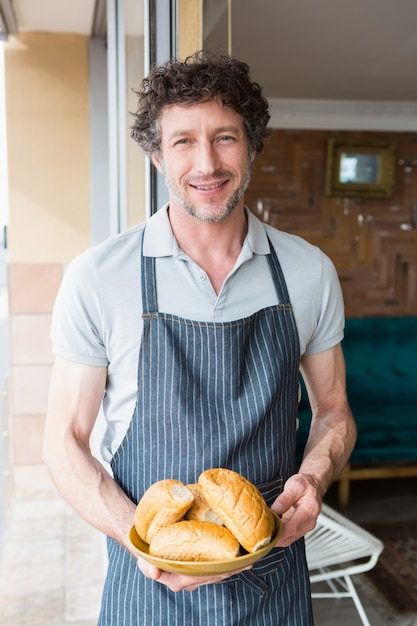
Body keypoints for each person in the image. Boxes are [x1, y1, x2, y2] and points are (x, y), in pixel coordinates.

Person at [43, 50, 356, 626]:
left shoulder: (308, 271)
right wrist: (141, 541)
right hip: (149, 586)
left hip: (274, 579)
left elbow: (333, 411)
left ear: (253, 145)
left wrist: (312, 480)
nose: (206, 162)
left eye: (226, 138)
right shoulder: (100, 276)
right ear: (157, 153)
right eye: (183, 140)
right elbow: (64, 440)